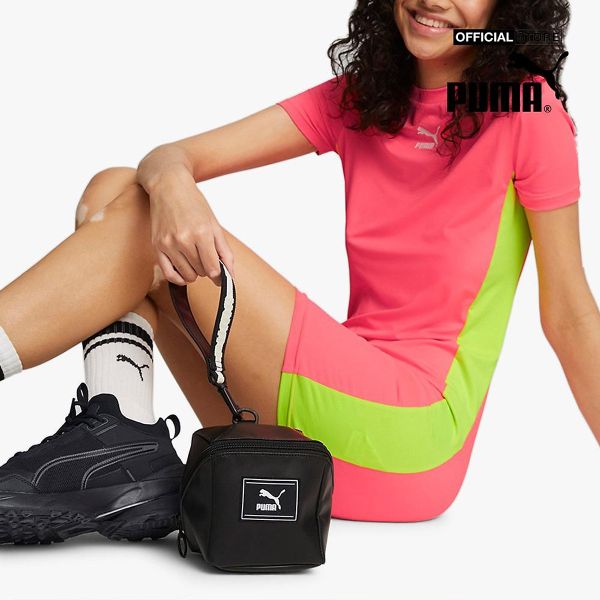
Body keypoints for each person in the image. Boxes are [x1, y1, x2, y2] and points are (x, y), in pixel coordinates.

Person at [0, 0, 597, 543]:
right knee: (118, 188)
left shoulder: (526, 109)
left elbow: (570, 318)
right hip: (332, 403)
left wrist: (168, 194)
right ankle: (123, 439)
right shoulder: (367, 98)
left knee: (135, 222)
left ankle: (123, 451)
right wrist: (177, 185)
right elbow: (168, 157)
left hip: (412, 433)